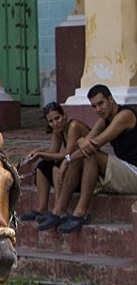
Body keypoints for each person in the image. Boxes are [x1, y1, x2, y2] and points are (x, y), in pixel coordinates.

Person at [37, 84, 137, 233]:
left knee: (90, 154)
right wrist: (69, 158)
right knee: (83, 155)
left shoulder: (125, 115)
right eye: (94, 106)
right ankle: (59, 211)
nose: (98, 109)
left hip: (134, 172)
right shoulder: (103, 120)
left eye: (101, 103)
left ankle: (80, 212)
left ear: (110, 100)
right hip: (124, 169)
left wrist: (74, 153)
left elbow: (96, 143)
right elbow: (86, 143)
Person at [20, 102, 90, 222]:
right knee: (42, 166)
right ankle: (42, 208)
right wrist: (37, 152)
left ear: (64, 116)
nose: (55, 123)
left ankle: (58, 210)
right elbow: (53, 151)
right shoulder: (58, 130)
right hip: (70, 165)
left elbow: (66, 154)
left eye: (57, 118)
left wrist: (41, 154)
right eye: (51, 121)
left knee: (56, 166)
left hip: (83, 170)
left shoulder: (73, 126)